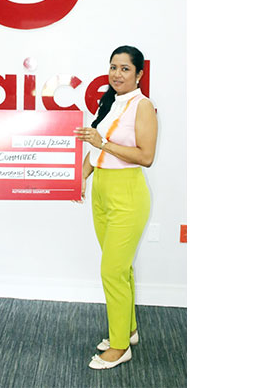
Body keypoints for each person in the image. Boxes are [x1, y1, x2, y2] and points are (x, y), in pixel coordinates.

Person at [74, 45, 158, 370]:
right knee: (121, 269)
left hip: (128, 195)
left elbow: (145, 157)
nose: (117, 74)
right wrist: (80, 177)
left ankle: (120, 346)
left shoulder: (143, 106)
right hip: (102, 192)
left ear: (138, 74)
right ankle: (128, 329)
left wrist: (102, 143)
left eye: (125, 69)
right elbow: (97, 153)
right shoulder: (111, 102)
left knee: (111, 271)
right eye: (113, 67)